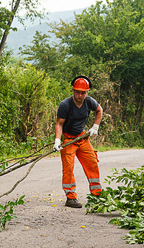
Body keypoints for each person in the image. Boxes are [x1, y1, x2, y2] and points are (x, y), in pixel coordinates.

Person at [53, 76, 103, 208]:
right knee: (68, 167)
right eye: (77, 92)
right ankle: (70, 198)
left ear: (87, 92)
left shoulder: (89, 102)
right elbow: (59, 124)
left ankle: (97, 195)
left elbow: (99, 110)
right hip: (68, 139)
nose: (80, 95)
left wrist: (95, 126)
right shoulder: (65, 105)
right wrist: (58, 140)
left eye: (83, 92)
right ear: (73, 90)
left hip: (82, 138)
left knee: (92, 163)